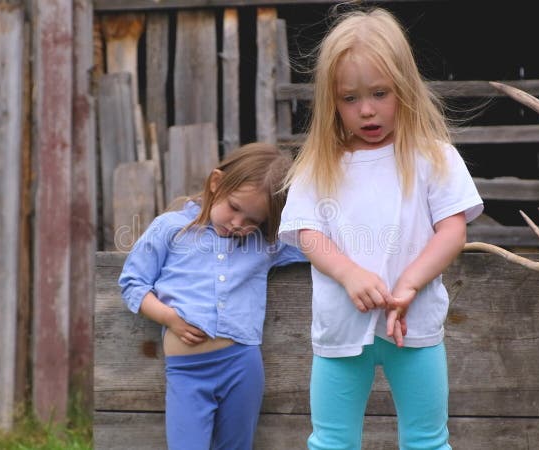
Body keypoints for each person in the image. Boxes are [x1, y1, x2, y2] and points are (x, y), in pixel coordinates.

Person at [278, 7, 483, 450]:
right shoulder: (317, 164)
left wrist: (408, 284)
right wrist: (351, 274)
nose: (366, 111)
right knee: (331, 442)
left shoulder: (434, 157)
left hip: (414, 323)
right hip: (339, 329)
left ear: (405, 87)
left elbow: (452, 232)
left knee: (427, 441)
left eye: (380, 93)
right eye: (349, 99)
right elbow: (308, 234)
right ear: (330, 100)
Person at [118, 142, 305, 450]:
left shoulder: (264, 243)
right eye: (234, 207)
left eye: (253, 221)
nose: (238, 224)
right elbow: (133, 283)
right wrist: (170, 318)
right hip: (186, 373)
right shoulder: (171, 228)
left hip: (242, 366)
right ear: (216, 183)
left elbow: (315, 246)